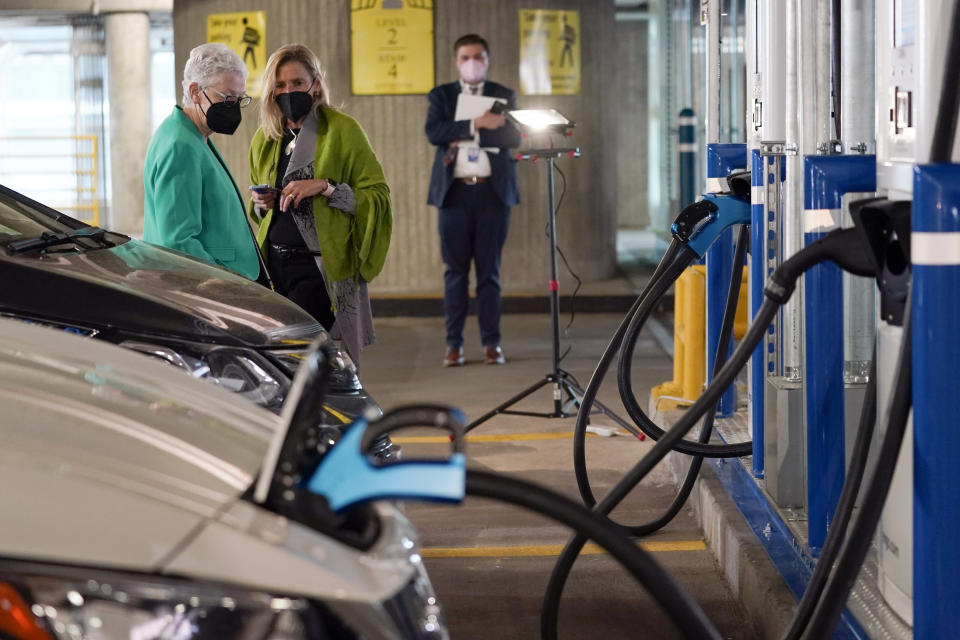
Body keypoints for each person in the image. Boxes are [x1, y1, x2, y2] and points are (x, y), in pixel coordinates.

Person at [248, 44, 392, 366]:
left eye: (297, 83)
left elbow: (375, 198)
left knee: (300, 353)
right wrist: (262, 203)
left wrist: (325, 187)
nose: (289, 91)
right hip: (273, 267)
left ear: (315, 83)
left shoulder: (342, 131)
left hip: (318, 268)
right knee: (280, 359)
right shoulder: (266, 138)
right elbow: (260, 213)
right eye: (281, 85)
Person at [426, 33, 521, 367]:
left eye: (478, 56)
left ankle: (492, 343)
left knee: (489, 273)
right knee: (454, 272)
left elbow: (513, 135)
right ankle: (454, 344)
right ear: (456, 61)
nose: (472, 62)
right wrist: (477, 123)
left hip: (493, 193)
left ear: (488, 59)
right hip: (454, 193)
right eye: (466, 56)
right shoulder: (442, 95)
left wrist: (465, 132)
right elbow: (434, 133)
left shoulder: (503, 94)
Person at [144, 43, 266, 283]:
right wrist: (219, 278)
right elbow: (178, 240)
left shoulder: (191, 134)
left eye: (240, 98)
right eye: (227, 97)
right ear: (195, 92)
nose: (234, 107)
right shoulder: (181, 146)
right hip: (214, 281)